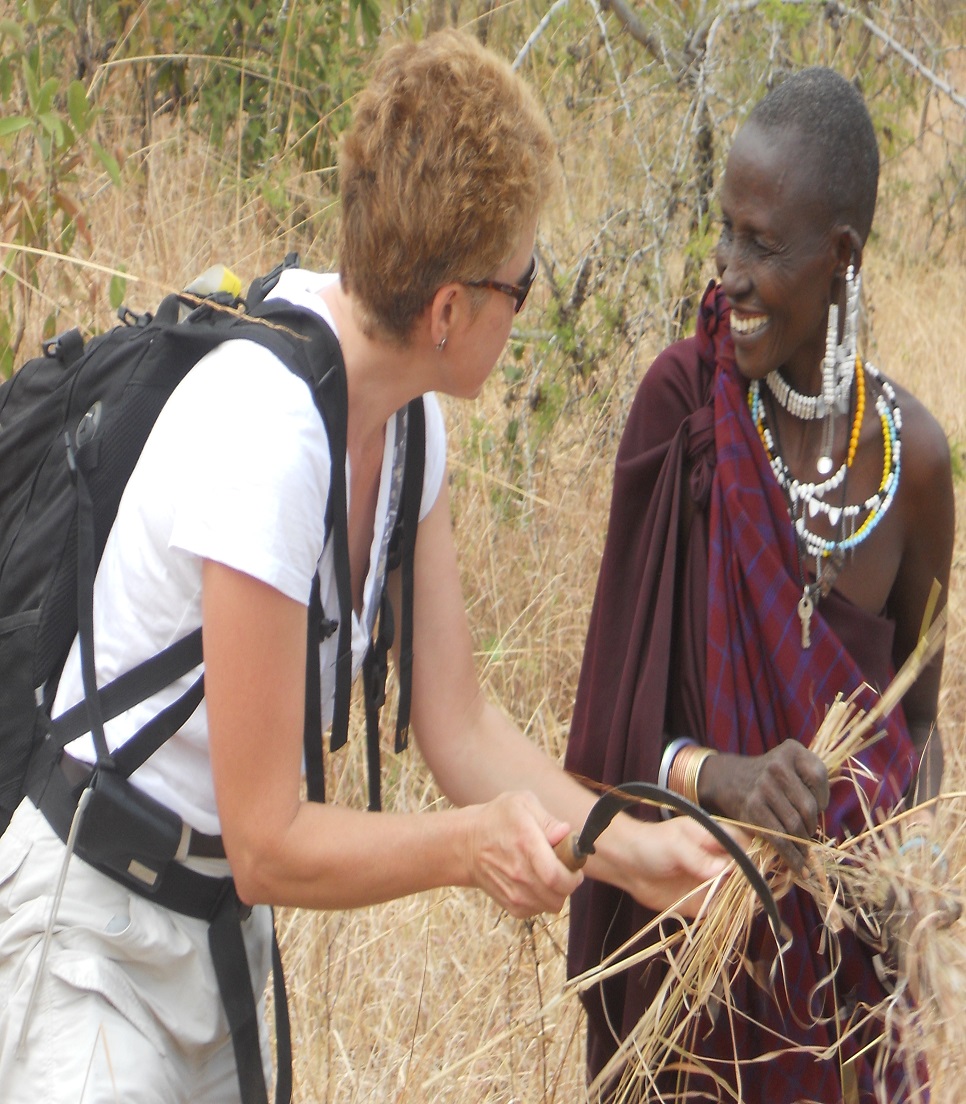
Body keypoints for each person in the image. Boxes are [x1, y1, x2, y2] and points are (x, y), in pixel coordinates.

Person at [0, 30, 730, 1104]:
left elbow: (461, 728)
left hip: (212, 940)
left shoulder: (409, 424)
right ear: (449, 312)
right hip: (92, 935)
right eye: (520, 286)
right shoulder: (270, 434)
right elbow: (271, 843)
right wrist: (467, 849)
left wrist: (630, 850)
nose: (524, 306)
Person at [565, 67, 953, 1102]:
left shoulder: (914, 464)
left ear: (843, 259)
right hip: (689, 968)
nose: (727, 273)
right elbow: (604, 734)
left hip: (845, 999)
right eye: (724, 231)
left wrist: (908, 876)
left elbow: (918, 728)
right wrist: (723, 777)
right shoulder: (683, 417)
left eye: (761, 244)